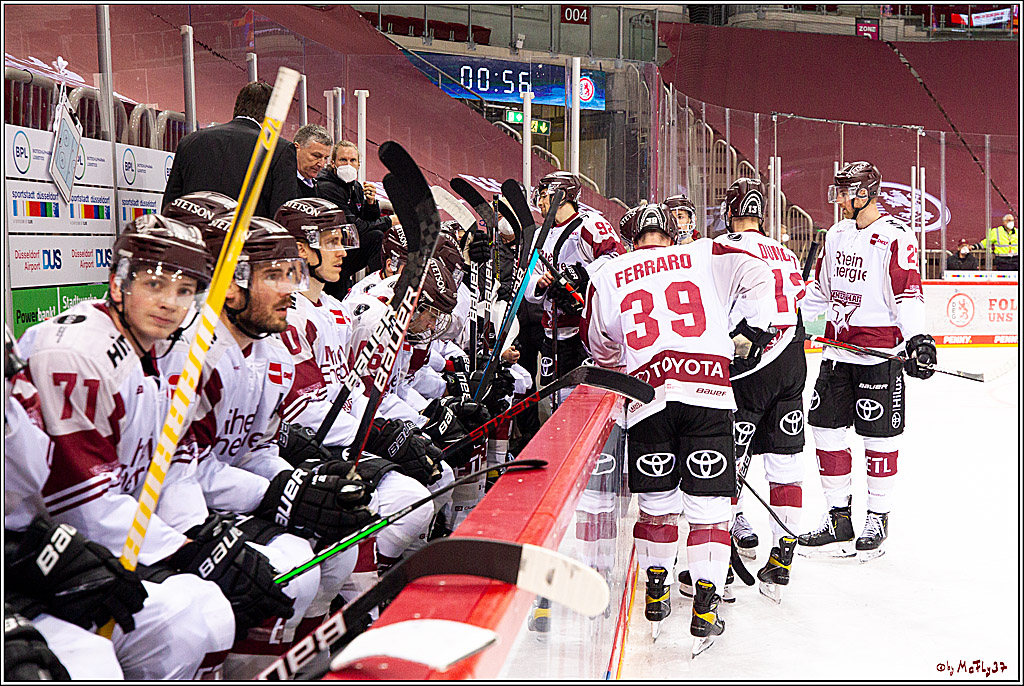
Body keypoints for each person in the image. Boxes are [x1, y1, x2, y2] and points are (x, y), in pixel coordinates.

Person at [14, 215, 289, 678]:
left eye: (185, 291)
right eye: (156, 284)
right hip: (49, 556)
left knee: (211, 610)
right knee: (172, 622)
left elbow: (175, 465)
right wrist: (185, 551)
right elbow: (85, 509)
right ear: (118, 282)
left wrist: (196, 536)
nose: (170, 303)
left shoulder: (163, 349)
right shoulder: (78, 352)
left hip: (91, 543)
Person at [581, 202, 776, 656]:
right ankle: (706, 606)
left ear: (631, 239)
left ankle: (656, 589)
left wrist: (627, 364)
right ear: (674, 235)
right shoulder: (704, 252)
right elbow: (761, 276)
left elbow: (600, 347)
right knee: (709, 508)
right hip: (707, 392)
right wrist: (751, 330)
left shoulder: (608, 274)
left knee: (657, 505)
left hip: (648, 401)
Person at [799, 162, 937, 562]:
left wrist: (917, 341)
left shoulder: (895, 237)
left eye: (844, 192)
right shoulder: (837, 234)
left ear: (864, 194)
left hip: (880, 355)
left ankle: (877, 517)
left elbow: (908, 292)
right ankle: (838, 518)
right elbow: (820, 290)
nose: (839, 199)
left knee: (879, 439)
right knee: (825, 431)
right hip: (838, 352)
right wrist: (789, 317)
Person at [713, 178, 806, 604]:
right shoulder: (783, 251)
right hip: (793, 363)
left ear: (729, 210)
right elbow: (798, 297)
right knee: (785, 464)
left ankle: (722, 554)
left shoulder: (725, 247)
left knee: (728, 459)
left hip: (751, 362)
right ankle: (783, 555)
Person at [525, 171, 623, 406]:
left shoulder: (590, 224)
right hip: (552, 332)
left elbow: (617, 257)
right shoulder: (541, 234)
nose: (540, 202)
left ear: (561, 195)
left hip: (585, 333)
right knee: (553, 401)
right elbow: (529, 278)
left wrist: (582, 275)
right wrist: (540, 283)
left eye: (543, 196)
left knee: (582, 400)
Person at [162, 81, 298, 218]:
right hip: (249, 237)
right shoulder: (280, 149)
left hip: (194, 236)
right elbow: (283, 215)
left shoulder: (190, 142)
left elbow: (170, 205)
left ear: (238, 107)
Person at [316, 140, 392, 295]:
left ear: (359, 164)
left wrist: (370, 204)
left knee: (377, 236)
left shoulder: (355, 186)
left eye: (352, 160)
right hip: (330, 250)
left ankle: (381, 284)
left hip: (347, 248)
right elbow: (354, 227)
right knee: (375, 236)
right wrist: (389, 221)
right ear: (333, 163)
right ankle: (380, 288)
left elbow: (366, 219)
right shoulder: (326, 187)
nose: (348, 165)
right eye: (343, 160)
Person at [293, 124, 333, 199]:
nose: (321, 164)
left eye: (325, 158)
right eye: (316, 156)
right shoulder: (281, 183)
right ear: (296, 149)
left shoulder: (319, 188)